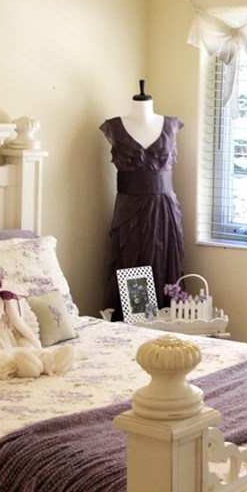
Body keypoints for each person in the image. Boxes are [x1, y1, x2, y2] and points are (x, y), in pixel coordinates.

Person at [100, 81, 184, 319]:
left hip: (164, 209)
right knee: (132, 263)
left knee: (164, 264)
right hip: (130, 211)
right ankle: (137, 322)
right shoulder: (116, 127)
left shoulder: (170, 125)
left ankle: (166, 327)